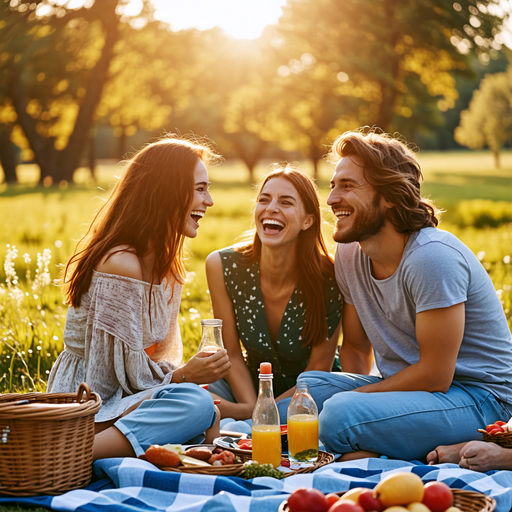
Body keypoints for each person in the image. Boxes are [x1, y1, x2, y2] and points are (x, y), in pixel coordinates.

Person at [277, 129, 512, 462]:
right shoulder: (349, 254)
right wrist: (365, 403)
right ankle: (245, 430)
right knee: (311, 387)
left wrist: (358, 404)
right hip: (418, 393)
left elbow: (435, 374)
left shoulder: (431, 257)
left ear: (389, 196)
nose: (330, 200)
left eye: (347, 186)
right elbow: (357, 348)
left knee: (340, 413)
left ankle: (381, 446)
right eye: (332, 186)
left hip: (483, 400)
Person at [47, 135, 231, 460]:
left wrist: (185, 379)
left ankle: (144, 450)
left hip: (125, 398)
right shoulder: (121, 264)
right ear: (167, 193)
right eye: (200, 189)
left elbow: (155, 363)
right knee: (195, 404)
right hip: (87, 402)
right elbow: (104, 382)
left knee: (207, 405)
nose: (210, 200)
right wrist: (185, 377)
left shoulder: (167, 268)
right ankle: (66, 456)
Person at [205, 167, 342, 421]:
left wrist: (261, 412)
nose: (271, 208)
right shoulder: (222, 265)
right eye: (264, 200)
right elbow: (232, 353)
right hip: (249, 387)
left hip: (309, 393)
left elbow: (317, 370)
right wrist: (251, 407)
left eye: (286, 202)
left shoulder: (331, 275)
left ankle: (238, 421)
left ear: (307, 221)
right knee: (190, 392)